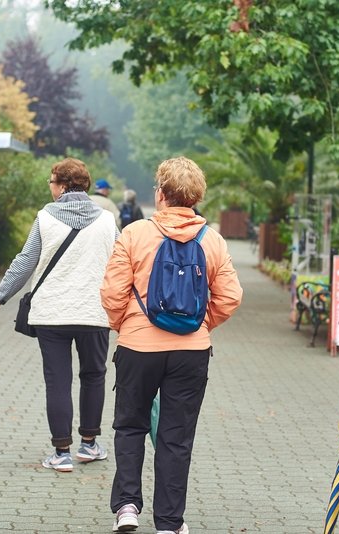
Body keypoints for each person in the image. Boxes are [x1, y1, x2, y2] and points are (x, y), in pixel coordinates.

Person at [101, 156, 243, 534]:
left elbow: (113, 293)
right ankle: (168, 523)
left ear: (161, 194)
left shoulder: (133, 234)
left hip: (137, 347)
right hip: (191, 352)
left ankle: (127, 507)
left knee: (130, 425)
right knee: (176, 436)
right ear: (195, 197)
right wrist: (199, 325)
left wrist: (125, 326)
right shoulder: (212, 240)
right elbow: (229, 297)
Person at [0, 157, 118, 473]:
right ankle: (89, 445)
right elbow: (121, 266)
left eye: (52, 182)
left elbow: (25, 262)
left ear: (62, 186)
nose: (50, 188)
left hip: (52, 315)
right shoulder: (107, 221)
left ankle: (61, 453)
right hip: (94, 314)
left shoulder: (45, 218)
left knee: (58, 381)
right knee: (94, 376)